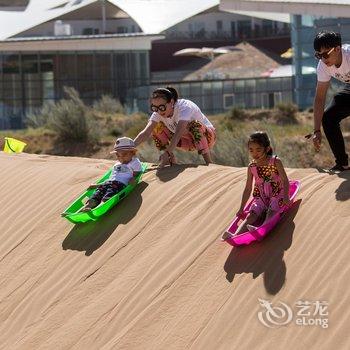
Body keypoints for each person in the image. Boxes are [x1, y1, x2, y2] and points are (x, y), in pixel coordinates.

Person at [222, 132, 290, 240]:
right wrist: (241, 208)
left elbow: (285, 180)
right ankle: (235, 235)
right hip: (261, 197)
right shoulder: (251, 166)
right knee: (252, 215)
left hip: (277, 194)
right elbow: (248, 188)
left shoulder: (275, 161)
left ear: (267, 149)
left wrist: (286, 196)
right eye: (251, 150)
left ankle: (261, 229)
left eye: (258, 150)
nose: (254, 153)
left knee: (271, 211)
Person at [134, 87, 216, 167]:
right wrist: (129, 146)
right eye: (154, 108)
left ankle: (208, 162)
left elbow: (178, 133)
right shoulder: (158, 113)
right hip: (186, 141)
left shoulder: (185, 107)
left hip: (207, 138)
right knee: (156, 127)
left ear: (171, 102)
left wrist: (167, 152)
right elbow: (146, 132)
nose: (159, 111)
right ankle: (170, 161)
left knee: (195, 125)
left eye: (162, 107)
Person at [312, 30, 350, 172]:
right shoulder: (323, 66)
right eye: (319, 55)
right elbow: (320, 97)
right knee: (328, 118)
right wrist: (316, 130)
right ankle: (342, 164)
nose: (323, 59)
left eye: (326, 54)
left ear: (338, 48)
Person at [80, 137, 142, 212]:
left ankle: (98, 208)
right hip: (108, 183)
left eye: (124, 154)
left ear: (132, 153)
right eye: (118, 155)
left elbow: (137, 173)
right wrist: (98, 185)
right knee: (97, 194)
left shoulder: (134, 162)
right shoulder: (117, 165)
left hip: (119, 185)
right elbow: (111, 178)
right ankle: (87, 207)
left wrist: (133, 178)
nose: (121, 157)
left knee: (109, 195)